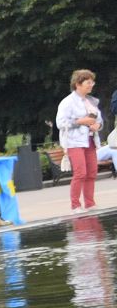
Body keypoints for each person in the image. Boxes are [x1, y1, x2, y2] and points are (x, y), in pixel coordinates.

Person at [57, 69, 104, 211]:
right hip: (74, 142)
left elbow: (100, 120)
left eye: (92, 82)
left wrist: (98, 125)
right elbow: (60, 123)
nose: (91, 85)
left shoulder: (92, 101)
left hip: (90, 141)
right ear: (78, 84)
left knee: (92, 172)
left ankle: (90, 203)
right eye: (88, 82)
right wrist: (80, 121)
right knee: (80, 173)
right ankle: (75, 205)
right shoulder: (67, 102)